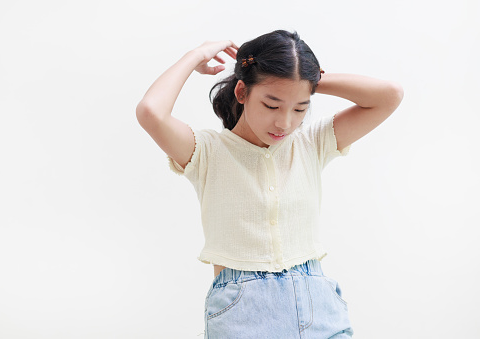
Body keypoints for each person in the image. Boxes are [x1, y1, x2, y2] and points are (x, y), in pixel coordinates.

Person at [136, 30, 403, 338]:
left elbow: (389, 95)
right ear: (241, 92)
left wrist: (304, 81)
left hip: (319, 306)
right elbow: (151, 112)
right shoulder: (205, 152)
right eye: (272, 104)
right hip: (244, 314)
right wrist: (196, 55)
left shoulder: (311, 143)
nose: (285, 123)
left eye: (300, 108)